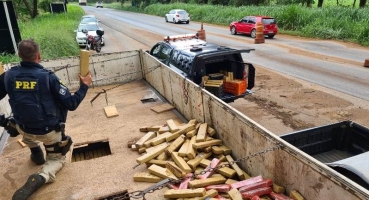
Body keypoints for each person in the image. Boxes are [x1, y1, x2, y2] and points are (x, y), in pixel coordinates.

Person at [0, 39, 92, 200]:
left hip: (23, 127)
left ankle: (36, 153)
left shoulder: (8, 76)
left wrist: (3, 120)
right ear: (39, 56)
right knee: (57, 159)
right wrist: (84, 86)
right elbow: (71, 104)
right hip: (49, 132)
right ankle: (42, 176)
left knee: (23, 128)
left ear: (19, 55)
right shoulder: (48, 78)